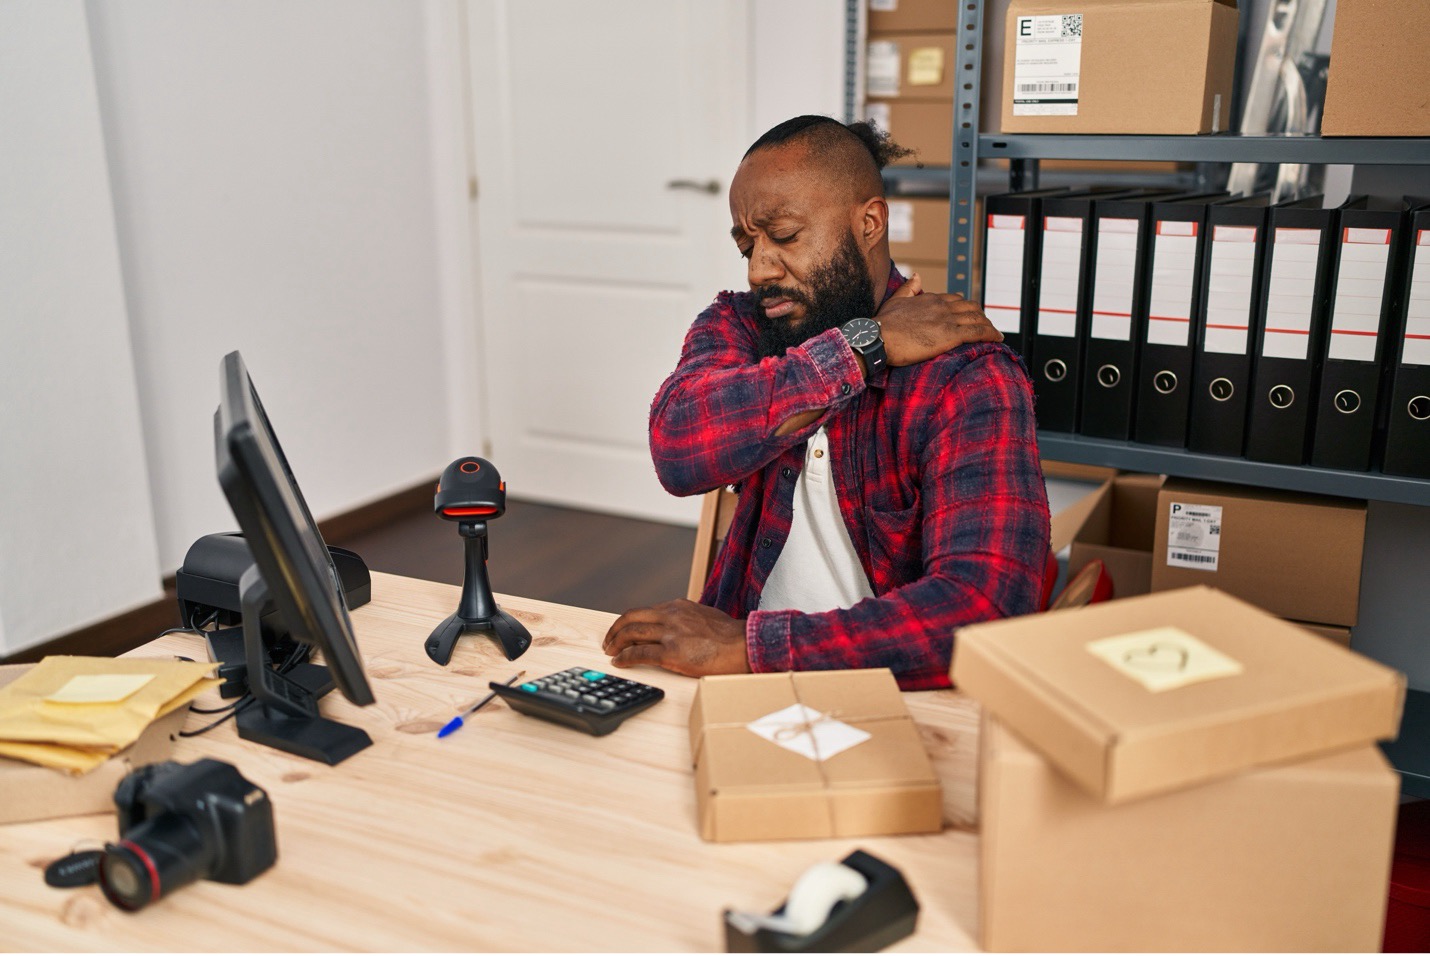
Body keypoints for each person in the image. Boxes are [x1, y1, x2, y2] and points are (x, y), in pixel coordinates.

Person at [602, 115, 1051, 690]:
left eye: (784, 236)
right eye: (747, 244)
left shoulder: (967, 377)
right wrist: (864, 347)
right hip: (733, 682)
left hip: (886, 697)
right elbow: (679, 448)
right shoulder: (740, 323)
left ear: (868, 223)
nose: (760, 268)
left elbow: (983, 609)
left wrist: (751, 647)